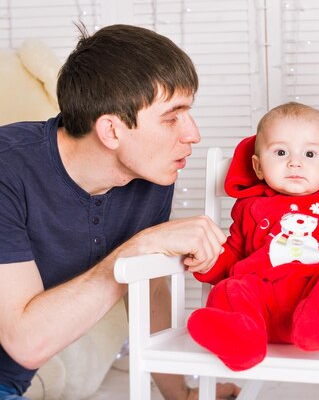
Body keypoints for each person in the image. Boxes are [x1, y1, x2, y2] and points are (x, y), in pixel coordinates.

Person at [0, 24, 239, 400]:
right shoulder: (7, 169)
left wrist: (181, 396)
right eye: (172, 117)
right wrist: (137, 250)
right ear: (111, 130)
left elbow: (150, 294)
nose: (192, 134)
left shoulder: (149, 177)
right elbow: (24, 342)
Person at [187, 102, 319, 371]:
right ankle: (241, 342)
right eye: (280, 152)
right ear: (258, 167)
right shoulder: (248, 205)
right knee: (230, 288)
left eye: (310, 154)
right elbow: (232, 255)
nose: (295, 162)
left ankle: (317, 325)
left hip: (318, 294)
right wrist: (208, 259)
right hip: (263, 309)